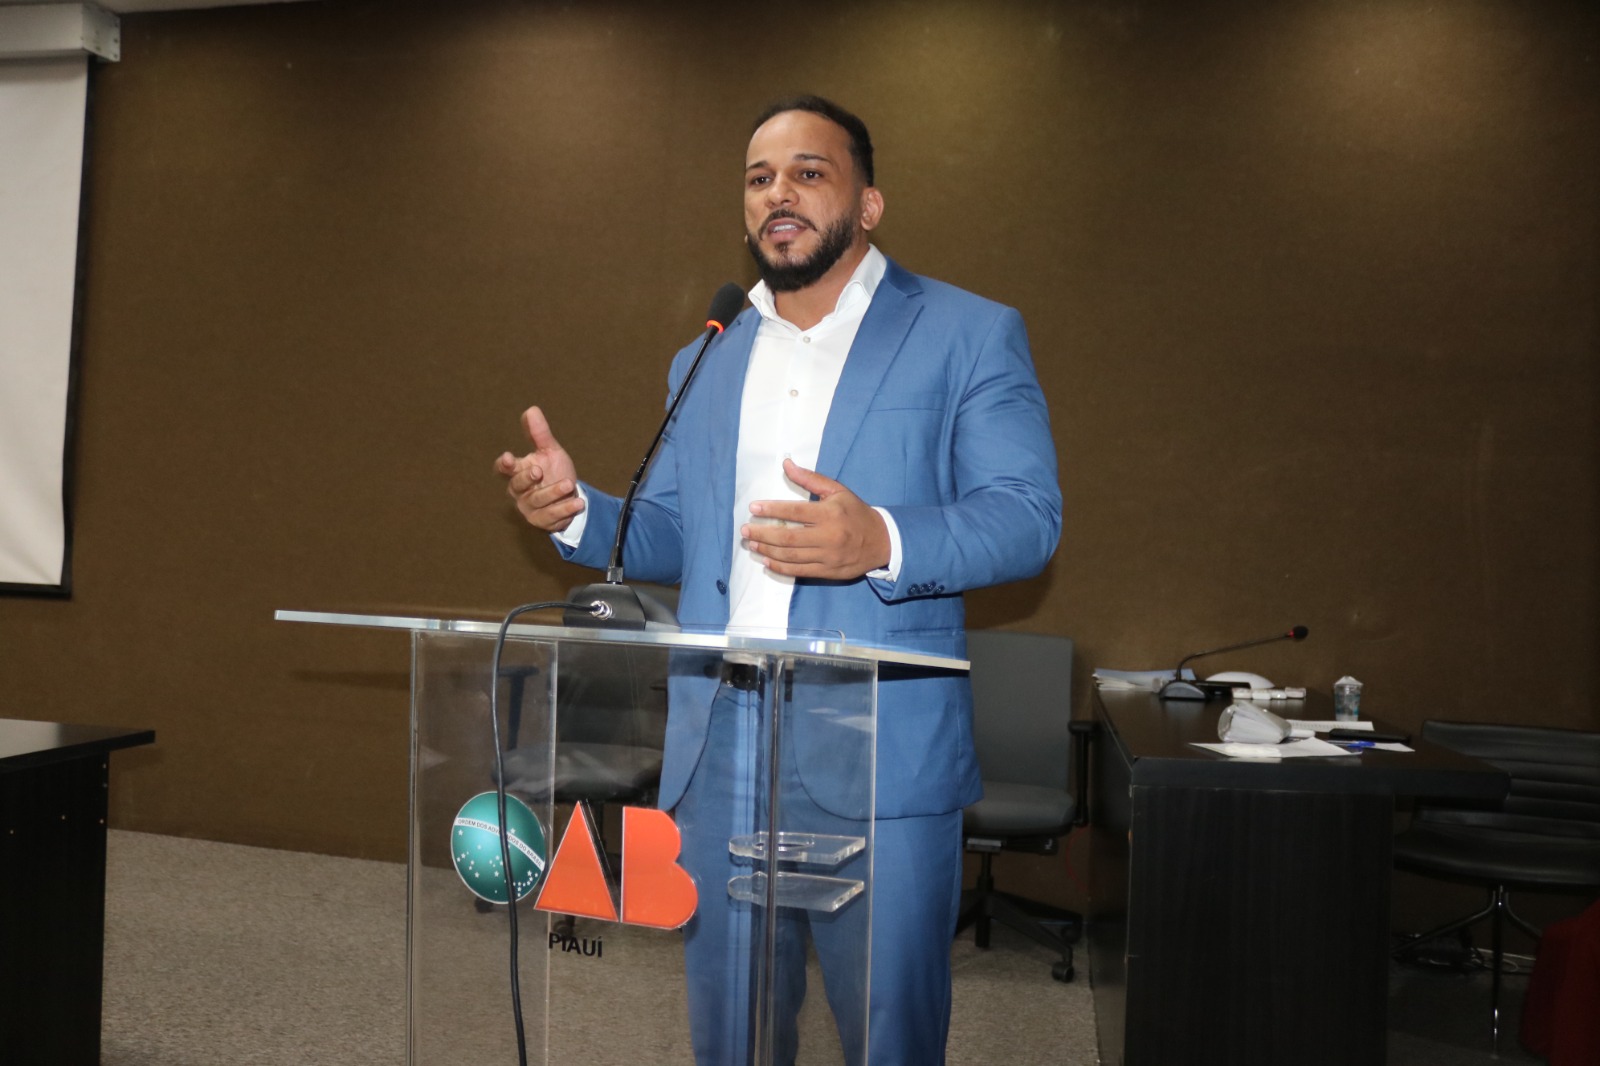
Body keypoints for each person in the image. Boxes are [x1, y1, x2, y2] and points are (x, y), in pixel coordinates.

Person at [496, 95, 1060, 1066]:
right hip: (720, 742)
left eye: (808, 172)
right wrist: (577, 509)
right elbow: (680, 532)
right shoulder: (708, 354)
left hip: (880, 747)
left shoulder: (967, 332)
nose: (777, 194)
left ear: (868, 204)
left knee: (888, 1031)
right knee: (733, 1032)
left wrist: (880, 538)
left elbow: (1025, 516)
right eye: (759, 178)